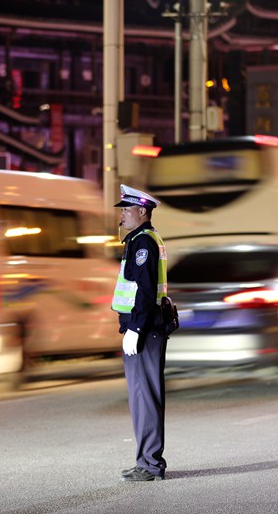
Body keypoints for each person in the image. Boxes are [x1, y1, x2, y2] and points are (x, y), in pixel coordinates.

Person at [111, 184, 169, 482]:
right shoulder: (138, 240)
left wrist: (135, 328)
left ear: (141, 212)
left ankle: (149, 464)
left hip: (145, 329)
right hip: (144, 327)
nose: (121, 215)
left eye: (126, 209)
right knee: (141, 396)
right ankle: (147, 461)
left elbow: (145, 291)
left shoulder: (143, 242)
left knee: (144, 396)